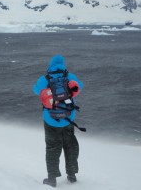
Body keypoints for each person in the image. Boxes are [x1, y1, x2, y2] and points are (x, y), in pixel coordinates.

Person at [33, 55, 83, 188]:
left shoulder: (44, 79)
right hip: (68, 119)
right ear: (63, 65)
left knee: (52, 148)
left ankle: (52, 179)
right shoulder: (69, 76)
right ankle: (72, 176)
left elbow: (36, 90)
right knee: (70, 146)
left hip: (50, 120)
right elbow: (80, 87)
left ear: (50, 65)